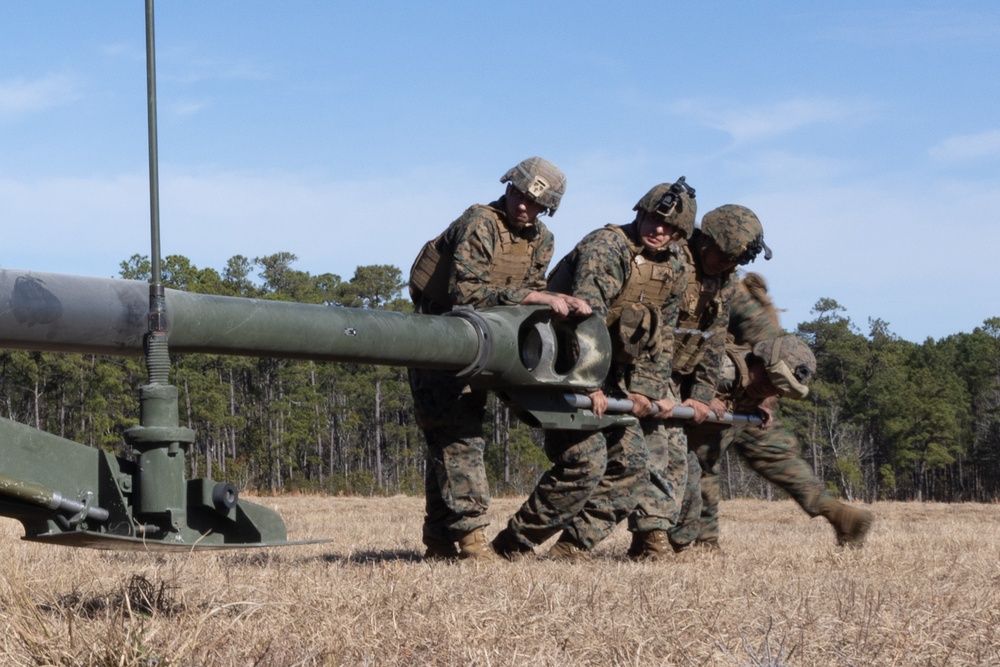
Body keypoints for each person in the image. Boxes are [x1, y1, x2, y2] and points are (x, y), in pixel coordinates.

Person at [490, 178, 694, 561]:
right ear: (640, 213)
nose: (659, 229)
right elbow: (587, 316)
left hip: (605, 379)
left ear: (681, 234)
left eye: (670, 226)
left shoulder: (676, 267)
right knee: (586, 460)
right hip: (557, 367)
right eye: (653, 218)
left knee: (634, 464)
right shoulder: (607, 246)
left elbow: (662, 335)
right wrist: (589, 384)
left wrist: (650, 392)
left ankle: (572, 547)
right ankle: (513, 544)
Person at [407, 157, 590, 561]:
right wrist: (535, 296)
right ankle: (471, 541)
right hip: (441, 338)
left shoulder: (542, 239)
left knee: (453, 440)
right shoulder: (480, 222)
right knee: (455, 437)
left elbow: (524, 297)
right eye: (518, 194)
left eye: (534, 202)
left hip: (491, 345)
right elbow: (465, 294)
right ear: (508, 186)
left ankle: (439, 543)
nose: (523, 205)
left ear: (547, 208)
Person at [669, 274, 874, 551]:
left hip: (746, 386)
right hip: (720, 387)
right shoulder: (690, 274)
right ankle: (705, 541)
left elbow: (773, 351)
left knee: (720, 458)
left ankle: (839, 514)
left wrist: (766, 400)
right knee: (724, 458)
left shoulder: (730, 287)